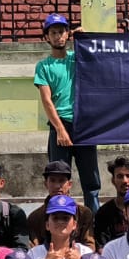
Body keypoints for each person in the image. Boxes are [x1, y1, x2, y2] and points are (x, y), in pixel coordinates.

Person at [34, 12, 100, 211]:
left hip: (84, 124)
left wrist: (85, 39)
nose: (58, 36)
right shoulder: (43, 66)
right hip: (60, 125)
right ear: (47, 37)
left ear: (68, 34)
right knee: (59, 178)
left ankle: (93, 221)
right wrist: (60, 130)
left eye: (61, 31)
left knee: (91, 180)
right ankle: (60, 216)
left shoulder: (77, 58)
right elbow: (47, 101)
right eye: (53, 33)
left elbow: (99, 62)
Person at [26, 161, 96, 248]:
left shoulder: (84, 213)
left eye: (62, 180)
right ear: (46, 184)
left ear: (69, 184)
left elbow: (89, 245)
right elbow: (33, 247)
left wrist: (77, 255)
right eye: (52, 180)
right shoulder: (35, 217)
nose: (57, 186)